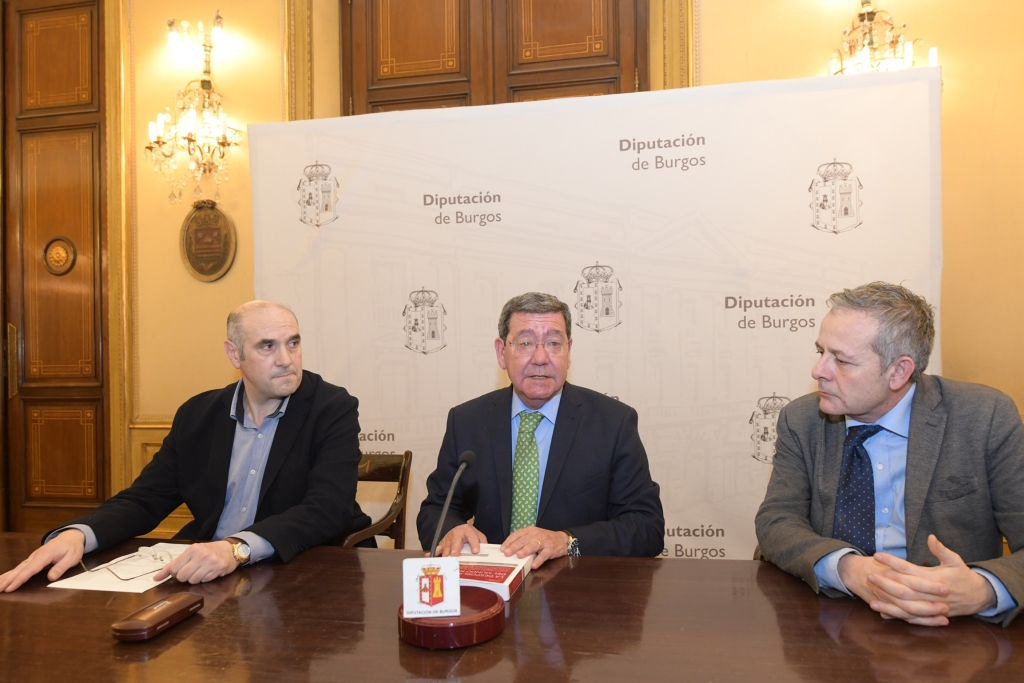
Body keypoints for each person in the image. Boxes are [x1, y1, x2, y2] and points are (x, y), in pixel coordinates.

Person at [0, 300, 371, 592]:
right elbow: (146, 498)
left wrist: (237, 548)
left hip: (301, 571)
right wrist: (78, 534)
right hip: (213, 577)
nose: (286, 360)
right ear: (234, 354)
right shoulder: (198, 415)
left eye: (293, 343)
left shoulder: (331, 408)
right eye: (267, 346)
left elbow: (328, 508)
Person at [756, 282, 1024, 626]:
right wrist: (848, 568)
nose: (818, 370)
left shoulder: (985, 416)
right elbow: (777, 520)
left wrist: (983, 590)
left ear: (899, 371)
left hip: (954, 628)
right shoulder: (801, 420)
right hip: (833, 619)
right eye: (821, 351)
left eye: (841, 360)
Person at [417, 292, 664, 569]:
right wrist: (451, 530)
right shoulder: (467, 421)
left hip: (577, 584)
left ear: (568, 352)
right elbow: (436, 509)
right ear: (501, 352)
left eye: (554, 343)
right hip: (490, 584)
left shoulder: (613, 423)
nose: (540, 358)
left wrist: (567, 541)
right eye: (525, 343)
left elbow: (647, 526)